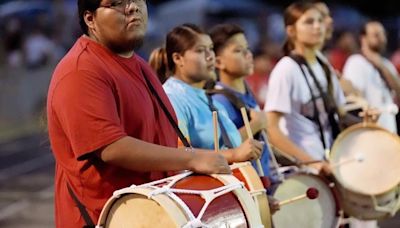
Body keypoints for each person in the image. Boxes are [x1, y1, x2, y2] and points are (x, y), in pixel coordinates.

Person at [47, 1, 230, 227]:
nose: (132, 7)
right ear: (90, 19)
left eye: (137, 0)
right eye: (117, 3)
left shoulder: (140, 66)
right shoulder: (80, 71)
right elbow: (112, 148)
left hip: (151, 214)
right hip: (106, 219)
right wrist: (194, 158)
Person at [150, 24, 263, 165]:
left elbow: (230, 145)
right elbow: (176, 153)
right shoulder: (171, 97)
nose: (210, 57)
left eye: (211, 49)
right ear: (178, 58)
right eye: (200, 50)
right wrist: (234, 154)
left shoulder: (213, 102)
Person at [264, 1, 346, 173]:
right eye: (309, 22)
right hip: (303, 173)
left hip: (329, 164)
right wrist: (311, 162)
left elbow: (340, 114)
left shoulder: (323, 65)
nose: (317, 27)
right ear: (291, 31)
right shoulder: (286, 69)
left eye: (319, 21)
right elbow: (271, 129)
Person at [207, 23, 274, 179]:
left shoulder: (246, 92)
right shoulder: (219, 100)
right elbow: (221, 149)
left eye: (247, 49)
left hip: (264, 180)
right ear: (218, 62)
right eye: (238, 51)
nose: (248, 55)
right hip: (246, 185)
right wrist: (256, 124)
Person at [343, 20, 400, 134]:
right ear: (363, 38)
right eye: (376, 34)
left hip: (389, 130)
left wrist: (381, 65)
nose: (381, 38)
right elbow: (354, 99)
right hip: (368, 131)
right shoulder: (356, 62)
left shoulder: (386, 64)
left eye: (383, 34)